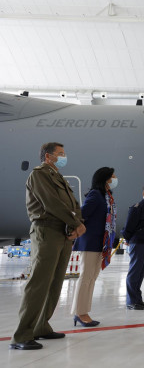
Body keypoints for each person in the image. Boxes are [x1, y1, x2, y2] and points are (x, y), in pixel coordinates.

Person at [10, 143, 86, 350]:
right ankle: (22, 335)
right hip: (47, 231)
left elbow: (73, 205)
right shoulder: (39, 175)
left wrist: (76, 224)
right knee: (39, 283)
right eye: (60, 154)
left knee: (54, 283)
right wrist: (76, 224)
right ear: (48, 156)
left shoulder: (58, 176)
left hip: (63, 232)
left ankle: (41, 326)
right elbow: (51, 203)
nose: (64, 157)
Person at [70, 167, 118, 327]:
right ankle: (79, 312)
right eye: (112, 176)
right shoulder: (96, 195)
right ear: (105, 179)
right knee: (86, 277)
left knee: (92, 278)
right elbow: (82, 214)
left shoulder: (106, 196)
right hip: (90, 242)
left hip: (100, 243)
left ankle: (84, 311)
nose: (115, 179)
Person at [122, 184, 144, 310]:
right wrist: (128, 239)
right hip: (138, 244)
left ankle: (137, 299)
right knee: (135, 272)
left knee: (141, 272)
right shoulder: (137, 208)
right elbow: (128, 227)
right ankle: (131, 301)